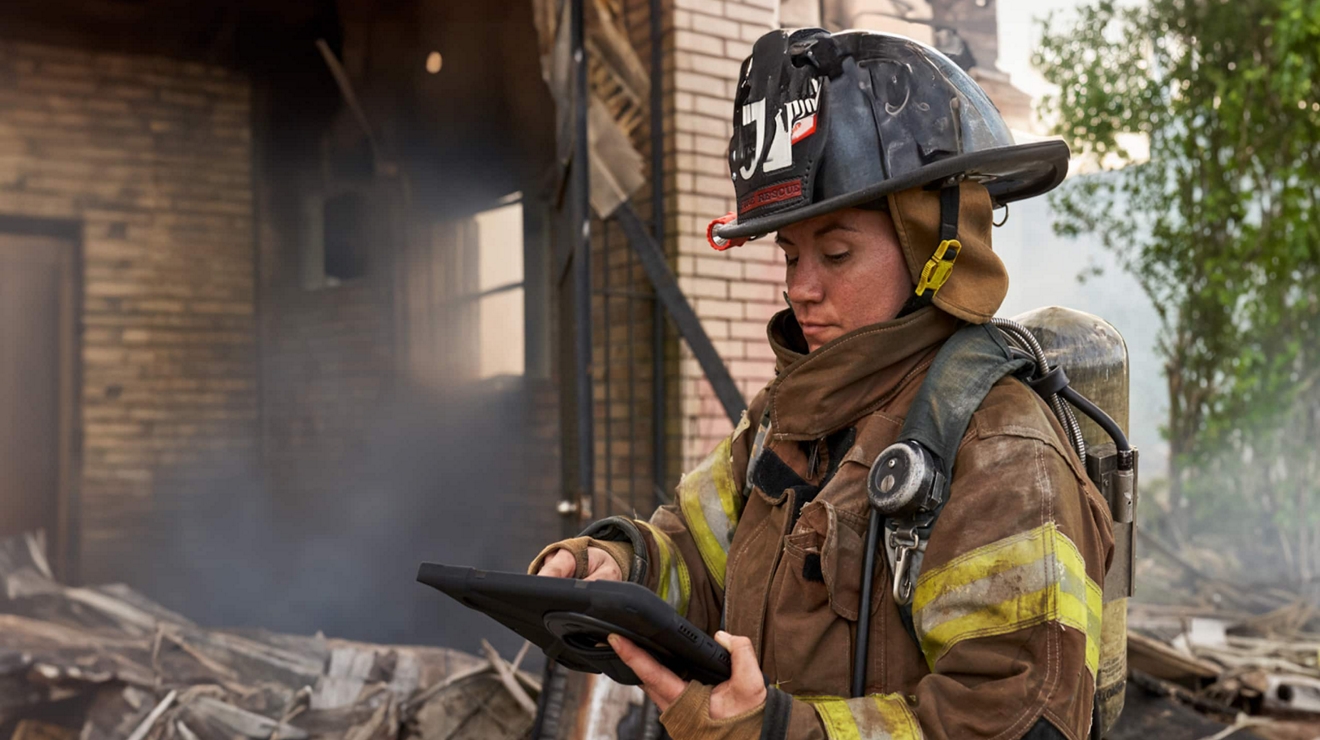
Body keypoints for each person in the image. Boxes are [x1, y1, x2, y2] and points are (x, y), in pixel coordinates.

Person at [534, 28, 1114, 740]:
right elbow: (694, 557)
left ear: (934, 247)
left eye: (836, 252)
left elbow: (1015, 721)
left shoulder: (999, 447)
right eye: (790, 253)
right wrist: (612, 565)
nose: (800, 288)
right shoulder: (789, 418)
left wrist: (776, 732)